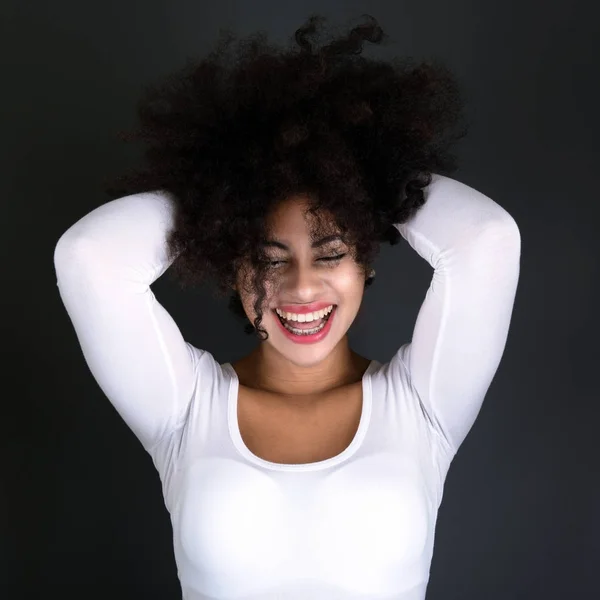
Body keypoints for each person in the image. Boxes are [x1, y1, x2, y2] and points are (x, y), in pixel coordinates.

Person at [53, 13, 521, 600]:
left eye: (329, 254)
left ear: (366, 262)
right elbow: (89, 256)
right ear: (232, 263)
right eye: (270, 258)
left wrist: (370, 175)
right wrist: (218, 191)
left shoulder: (423, 405)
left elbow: (487, 240)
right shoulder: (184, 409)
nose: (301, 288)